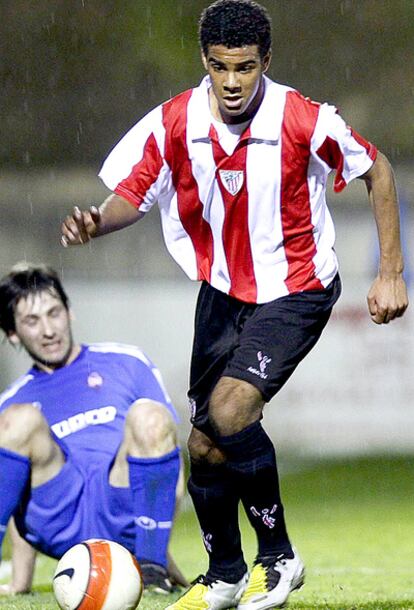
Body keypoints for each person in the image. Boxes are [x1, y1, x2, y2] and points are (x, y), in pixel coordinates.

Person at [60, 1, 409, 608]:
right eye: (220, 67)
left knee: (229, 410)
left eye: (244, 68)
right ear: (206, 61)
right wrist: (96, 222)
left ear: (265, 62)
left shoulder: (302, 118)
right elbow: (132, 195)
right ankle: (223, 573)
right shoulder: (175, 121)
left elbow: (376, 168)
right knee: (203, 445)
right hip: (221, 294)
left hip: (296, 288)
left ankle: (278, 557)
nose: (231, 82)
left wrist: (391, 274)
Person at [0, 262, 189, 596]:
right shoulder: (12, 404)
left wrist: (157, 546)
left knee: (150, 416)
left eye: (53, 313)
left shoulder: (127, 362)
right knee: (18, 419)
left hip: (122, 505)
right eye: (32, 320)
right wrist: (20, 582)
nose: (48, 329)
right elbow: (15, 496)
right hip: (58, 519)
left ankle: (151, 567)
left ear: (69, 311)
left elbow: (167, 458)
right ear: (13, 333)